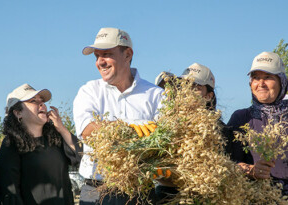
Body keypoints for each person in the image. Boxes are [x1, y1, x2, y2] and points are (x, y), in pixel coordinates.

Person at [73, 27, 164, 204]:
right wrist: (129, 129)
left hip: (140, 192)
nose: (100, 62)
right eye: (96, 56)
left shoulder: (156, 95)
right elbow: (87, 131)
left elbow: (167, 141)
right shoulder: (89, 91)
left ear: (127, 54)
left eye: (106, 54)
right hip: (95, 191)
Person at [0, 83, 82, 205]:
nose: (41, 104)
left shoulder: (56, 139)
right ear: (18, 113)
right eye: (33, 101)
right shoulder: (11, 145)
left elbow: (84, 157)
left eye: (41, 101)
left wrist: (62, 128)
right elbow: (11, 193)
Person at [154, 63, 219, 202]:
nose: (188, 91)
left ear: (208, 96)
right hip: (165, 195)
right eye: (185, 85)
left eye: (196, 87)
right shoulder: (166, 123)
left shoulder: (219, 130)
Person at [227, 51, 288, 195]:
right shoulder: (242, 118)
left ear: (282, 81)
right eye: (255, 78)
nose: (261, 84)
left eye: (268, 77)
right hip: (257, 197)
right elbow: (226, 162)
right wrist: (251, 170)